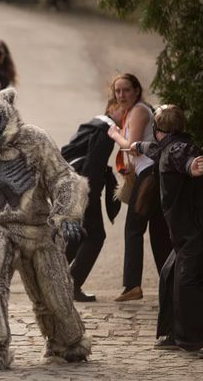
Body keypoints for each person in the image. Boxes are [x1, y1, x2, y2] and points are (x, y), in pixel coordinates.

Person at [131, 104, 203, 359]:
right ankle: (177, 333)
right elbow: (156, 150)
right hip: (195, 230)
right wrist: (137, 146)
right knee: (171, 275)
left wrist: (194, 166)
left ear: (158, 130)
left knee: (190, 283)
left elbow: (185, 158)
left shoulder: (179, 149)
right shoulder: (168, 145)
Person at [106, 73, 171, 302]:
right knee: (158, 231)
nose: (121, 95)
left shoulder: (139, 111)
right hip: (150, 174)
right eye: (118, 91)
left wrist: (114, 134)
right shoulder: (132, 112)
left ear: (136, 90)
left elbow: (133, 147)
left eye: (126, 90)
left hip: (150, 175)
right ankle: (169, 283)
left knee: (134, 228)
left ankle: (133, 285)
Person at [61, 98, 122, 302]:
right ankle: (72, 284)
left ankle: (53, 279)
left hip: (71, 180)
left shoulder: (94, 123)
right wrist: (90, 196)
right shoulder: (106, 129)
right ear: (112, 109)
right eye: (122, 110)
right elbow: (93, 165)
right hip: (84, 185)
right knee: (95, 235)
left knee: (78, 234)